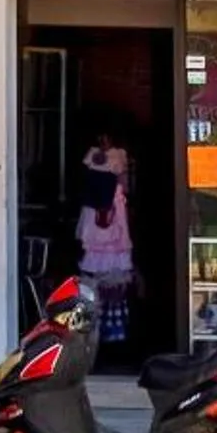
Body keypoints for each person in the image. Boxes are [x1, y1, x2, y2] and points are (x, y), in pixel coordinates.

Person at [74, 132, 136, 346]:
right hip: (94, 214)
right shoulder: (91, 155)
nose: (103, 139)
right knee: (92, 282)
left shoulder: (119, 156)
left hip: (113, 216)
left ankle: (112, 333)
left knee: (114, 285)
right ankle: (91, 334)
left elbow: (125, 185)